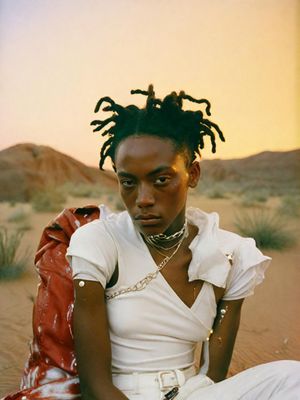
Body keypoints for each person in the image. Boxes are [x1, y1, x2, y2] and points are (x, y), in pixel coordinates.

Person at [65, 85, 300, 400]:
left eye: (161, 179)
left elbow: (214, 375)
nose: (143, 199)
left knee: (292, 378)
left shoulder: (229, 255)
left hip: (193, 394)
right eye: (128, 182)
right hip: (118, 395)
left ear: (192, 174)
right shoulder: (99, 242)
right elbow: (95, 387)